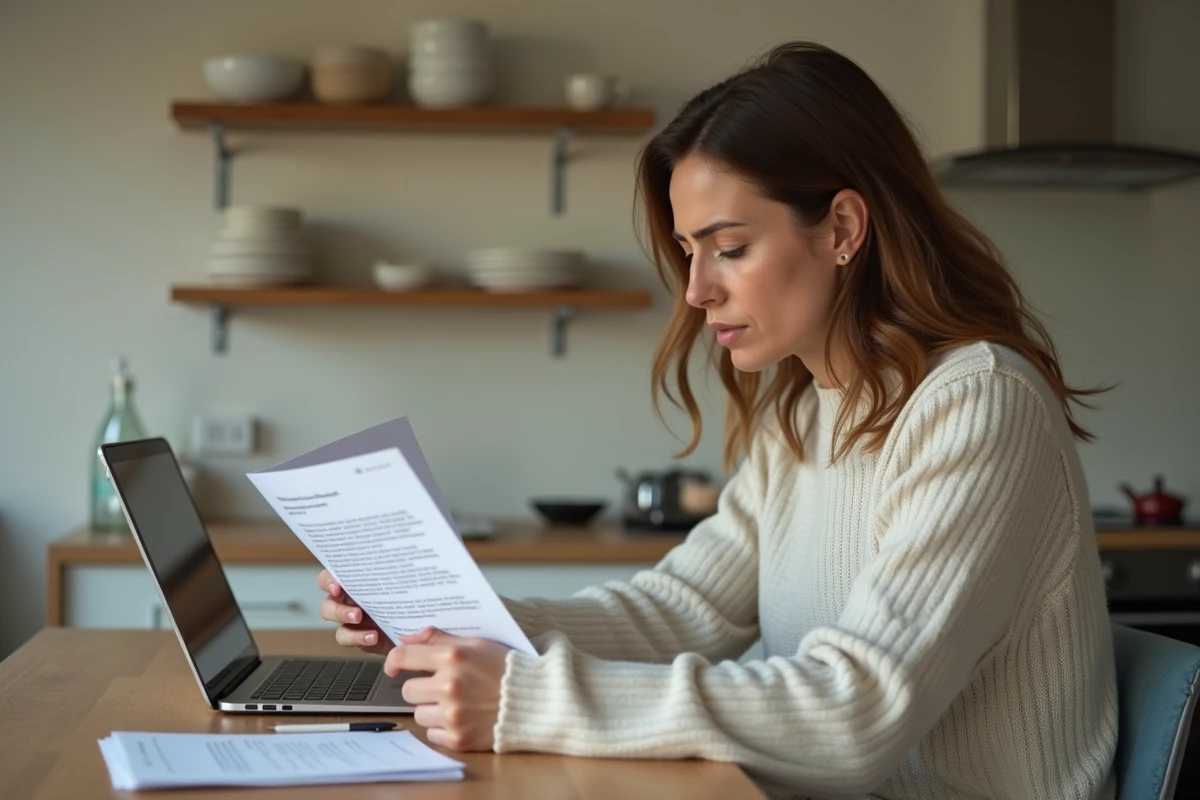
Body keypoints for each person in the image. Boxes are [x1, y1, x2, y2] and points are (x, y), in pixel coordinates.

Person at [318, 41, 1117, 800]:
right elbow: (679, 613)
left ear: (842, 229)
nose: (696, 289)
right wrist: (458, 632)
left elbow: (858, 713)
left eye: (728, 247)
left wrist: (522, 694)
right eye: (687, 251)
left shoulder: (977, 402)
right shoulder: (806, 411)